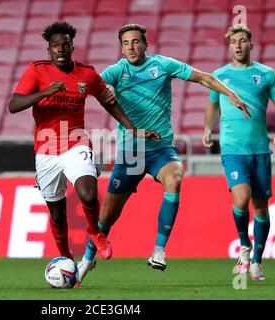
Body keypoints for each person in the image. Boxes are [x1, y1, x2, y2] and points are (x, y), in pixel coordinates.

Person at [77, 23, 251, 285]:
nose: (131, 47)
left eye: (136, 42)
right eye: (126, 43)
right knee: (107, 217)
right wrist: (103, 90)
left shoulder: (163, 65)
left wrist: (231, 94)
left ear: (146, 45)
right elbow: (92, 85)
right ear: (121, 48)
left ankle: (159, 250)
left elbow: (203, 77)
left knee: (175, 177)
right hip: (131, 152)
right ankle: (87, 260)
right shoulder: (117, 71)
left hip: (161, 149)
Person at [7, 22, 160, 262]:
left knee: (88, 194)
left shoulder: (87, 74)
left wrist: (133, 129)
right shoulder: (37, 71)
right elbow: (14, 105)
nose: (60, 50)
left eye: (64, 45)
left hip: (75, 143)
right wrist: (44, 94)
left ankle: (95, 232)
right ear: (48, 50)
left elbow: (108, 101)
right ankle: (64, 257)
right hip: (46, 150)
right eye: (55, 46)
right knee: (57, 214)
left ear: (72, 47)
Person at [202, 24, 275, 281]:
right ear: (229, 46)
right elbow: (212, 105)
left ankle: (257, 262)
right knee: (241, 199)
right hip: (233, 150)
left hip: (260, 150)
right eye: (234, 42)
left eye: (243, 41)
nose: (238, 45)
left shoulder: (266, 74)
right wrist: (208, 128)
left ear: (251, 44)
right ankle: (244, 245)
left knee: (261, 207)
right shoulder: (219, 76)